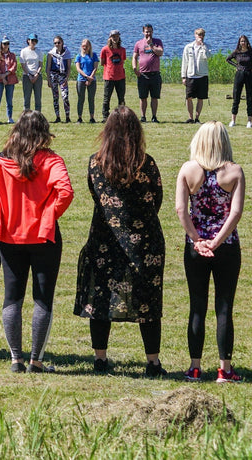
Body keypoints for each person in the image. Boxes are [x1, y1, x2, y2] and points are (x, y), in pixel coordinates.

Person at [0, 110, 73, 373]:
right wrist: (50, 214)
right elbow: (66, 192)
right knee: (42, 299)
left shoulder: (1, 161)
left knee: (12, 298)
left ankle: (16, 359)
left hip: (10, 235)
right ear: (43, 133)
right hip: (43, 236)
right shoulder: (51, 160)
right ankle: (35, 360)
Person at [74, 106, 166, 377]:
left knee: (100, 298)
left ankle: (100, 359)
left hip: (105, 238)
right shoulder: (146, 164)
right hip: (144, 241)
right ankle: (153, 362)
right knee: (148, 302)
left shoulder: (95, 162)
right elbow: (156, 198)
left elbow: (95, 195)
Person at [175, 122, 245, 383]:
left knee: (197, 306)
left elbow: (181, 210)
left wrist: (197, 240)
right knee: (224, 306)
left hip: (196, 247)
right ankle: (225, 369)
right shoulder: (234, 171)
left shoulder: (188, 169)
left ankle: (194, 367)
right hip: (226, 245)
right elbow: (235, 212)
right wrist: (217, 241)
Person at [226, 34, 252, 128]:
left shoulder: (251, 52)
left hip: (249, 75)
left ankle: (249, 121)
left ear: (247, 43)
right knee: (236, 97)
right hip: (239, 75)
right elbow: (228, 59)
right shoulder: (237, 52)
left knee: (250, 97)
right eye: (241, 41)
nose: (243, 43)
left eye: (244, 41)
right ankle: (233, 120)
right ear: (239, 42)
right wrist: (236, 66)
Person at [132, 24, 164, 123]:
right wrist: (134, 68)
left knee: (154, 97)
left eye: (150, 31)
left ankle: (154, 116)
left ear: (152, 32)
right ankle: (143, 117)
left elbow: (160, 53)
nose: (148, 33)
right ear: (143, 32)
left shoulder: (157, 42)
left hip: (155, 74)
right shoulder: (138, 43)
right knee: (143, 97)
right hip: (143, 75)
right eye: (146, 31)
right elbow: (134, 57)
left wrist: (151, 45)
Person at [181, 28, 210, 124]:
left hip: (202, 75)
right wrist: (183, 76)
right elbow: (184, 62)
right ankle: (190, 117)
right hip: (191, 75)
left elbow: (208, 57)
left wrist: (203, 47)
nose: (200, 37)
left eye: (202, 35)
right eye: (198, 35)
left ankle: (197, 118)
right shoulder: (188, 47)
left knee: (200, 97)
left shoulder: (207, 46)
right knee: (189, 97)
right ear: (195, 35)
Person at [99, 30, 126, 122]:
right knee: (107, 98)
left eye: (117, 36)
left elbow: (123, 61)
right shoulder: (105, 50)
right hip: (109, 77)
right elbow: (102, 63)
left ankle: (122, 115)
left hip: (121, 77)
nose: (115, 38)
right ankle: (105, 116)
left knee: (121, 98)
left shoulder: (122, 50)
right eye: (113, 36)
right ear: (110, 38)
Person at [46, 35, 72, 123]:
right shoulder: (51, 53)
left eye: (58, 42)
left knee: (65, 97)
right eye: (55, 43)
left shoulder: (67, 53)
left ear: (62, 43)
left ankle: (67, 117)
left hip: (63, 76)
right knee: (55, 97)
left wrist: (66, 78)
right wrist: (48, 79)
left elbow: (69, 67)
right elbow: (48, 68)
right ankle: (58, 117)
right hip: (53, 75)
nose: (57, 44)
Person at [0, 37, 18, 125]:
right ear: (1, 45)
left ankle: (10, 117)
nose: (6, 45)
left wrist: (6, 74)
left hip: (10, 79)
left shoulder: (12, 55)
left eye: (7, 43)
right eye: (4, 44)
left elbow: (14, 66)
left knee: (9, 100)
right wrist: (2, 77)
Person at [75, 39, 99, 124]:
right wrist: (86, 77)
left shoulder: (94, 55)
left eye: (86, 45)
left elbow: (95, 67)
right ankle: (79, 118)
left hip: (92, 80)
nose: (85, 47)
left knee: (91, 99)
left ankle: (92, 117)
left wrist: (90, 77)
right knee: (81, 99)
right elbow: (78, 68)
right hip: (81, 80)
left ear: (89, 46)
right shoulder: (79, 56)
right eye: (83, 45)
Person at [19, 33, 43, 113]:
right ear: (28, 40)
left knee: (38, 99)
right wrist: (29, 75)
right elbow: (23, 65)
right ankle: (26, 116)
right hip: (27, 76)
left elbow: (40, 65)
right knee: (27, 99)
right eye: (32, 40)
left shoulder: (39, 52)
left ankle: (38, 116)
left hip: (37, 77)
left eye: (35, 40)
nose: (33, 42)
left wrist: (36, 74)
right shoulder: (24, 51)